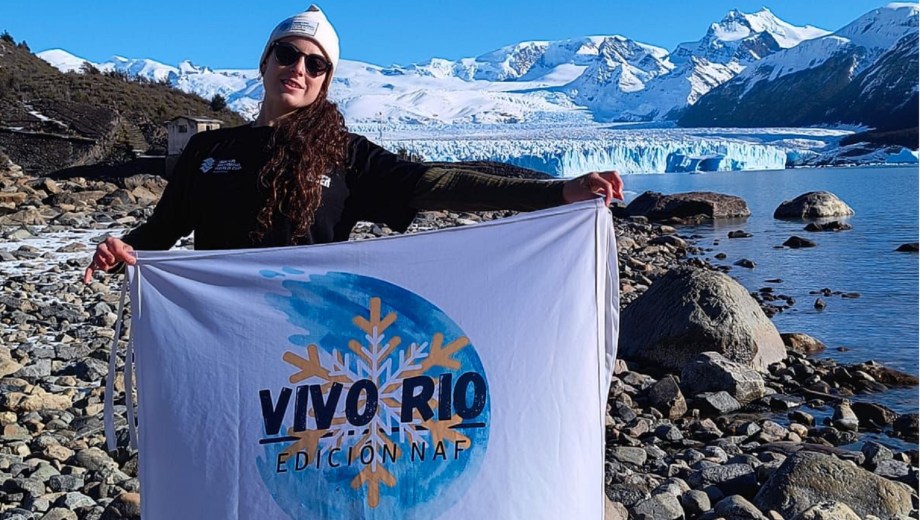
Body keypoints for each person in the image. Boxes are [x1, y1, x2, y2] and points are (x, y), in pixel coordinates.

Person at [83, 5, 623, 284]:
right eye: (288, 55)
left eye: (315, 63)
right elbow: (162, 232)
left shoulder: (346, 153)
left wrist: (557, 194)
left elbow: (434, 185)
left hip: (311, 333)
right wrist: (121, 250)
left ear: (326, 79)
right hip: (222, 329)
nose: (299, 69)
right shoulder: (207, 151)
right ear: (265, 62)